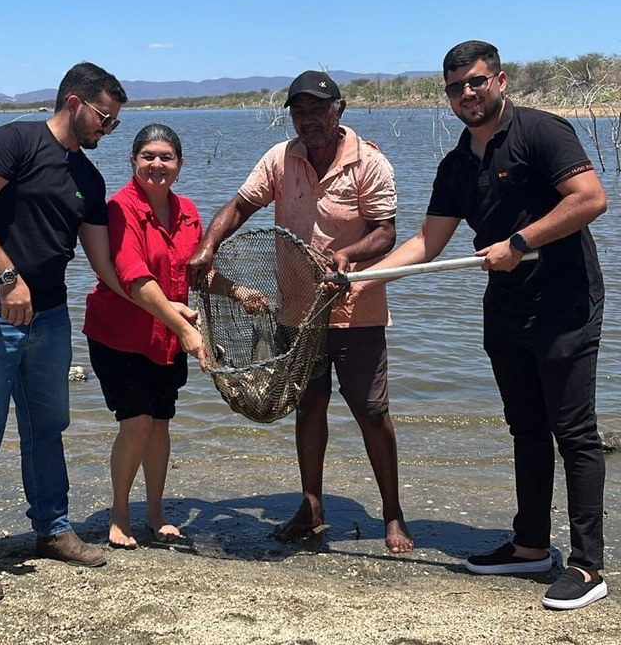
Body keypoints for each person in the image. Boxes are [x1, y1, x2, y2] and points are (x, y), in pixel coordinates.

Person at [350, 40, 608, 610]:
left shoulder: (543, 132)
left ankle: (589, 566)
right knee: (526, 428)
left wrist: (520, 241)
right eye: (455, 86)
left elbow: (590, 199)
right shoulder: (456, 164)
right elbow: (426, 241)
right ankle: (530, 546)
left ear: (501, 80)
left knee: (575, 433)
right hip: (507, 309)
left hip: (566, 303)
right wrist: (364, 279)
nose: (467, 93)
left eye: (476, 81)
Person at [0, 64, 201, 603]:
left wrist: (164, 308)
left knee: (47, 427)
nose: (108, 129)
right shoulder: (15, 140)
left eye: (114, 122)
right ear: (75, 101)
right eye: (105, 117)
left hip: (50, 317)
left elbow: (108, 267)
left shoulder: (88, 177)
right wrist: (7, 277)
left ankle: (53, 529)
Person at [187, 70, 415, 554]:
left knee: (371, 411)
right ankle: (311, 505)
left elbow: (386, 231)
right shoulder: (280, 157)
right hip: (296, 310)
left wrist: (350, 256)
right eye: (299, 109)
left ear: (340, 109)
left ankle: (392, 512)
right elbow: (240, 205)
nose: (308, 118)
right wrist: (208, 245)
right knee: (309, 404)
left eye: (317, 108)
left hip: (356, 309)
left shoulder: (371, 163)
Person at [82, 124, 218, 549]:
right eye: (148, 156)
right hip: (119, 333)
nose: (157, 165)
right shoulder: (119, 209)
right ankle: (120, 514)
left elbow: (196, 272)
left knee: (160, 424)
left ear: (179, 164)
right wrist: (189, 333)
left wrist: (239, 292)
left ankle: (155, 512)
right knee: (136, 422)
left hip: (166, 338)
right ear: (133, 161)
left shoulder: (189, 211)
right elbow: (135, 277)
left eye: (166, 157)